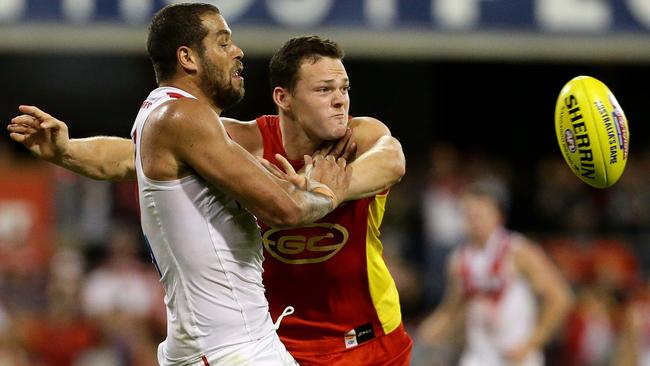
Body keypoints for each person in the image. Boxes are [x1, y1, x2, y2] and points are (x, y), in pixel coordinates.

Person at [8, 35, 410, 366]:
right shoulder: (243, 143)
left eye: (344, 89)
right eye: (324, 90)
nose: (340, 100)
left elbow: (391, 160)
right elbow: (129, 156)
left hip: (372, 341)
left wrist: (321, 187)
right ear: (283, 99)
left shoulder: (359, 138)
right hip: (277, 345)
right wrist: (65, 150)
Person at [417, 178, 574, 366]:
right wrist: (426, 332)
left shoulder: (518, 251)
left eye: (481, 213)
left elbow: (561, 298)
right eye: (469, 214)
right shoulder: (459, 259)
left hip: (516, 357)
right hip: (478, 356)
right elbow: (452, 310)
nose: (475, 220)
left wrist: (532, 343)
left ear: (499, 216)